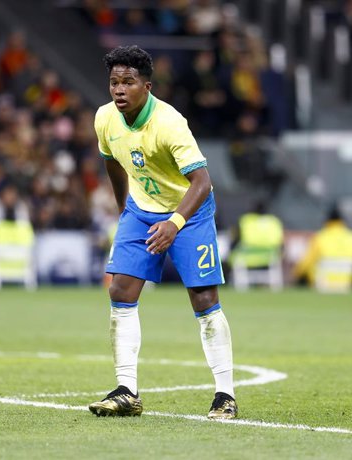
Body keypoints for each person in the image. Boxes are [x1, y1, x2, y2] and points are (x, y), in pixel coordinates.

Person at [88, 45, 237, 420]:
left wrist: (175, 223)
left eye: (128, 82)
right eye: (114, 82)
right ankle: (126, 391)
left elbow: (202, 182)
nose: (119, 90)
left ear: (147, 86)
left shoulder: (170, 123)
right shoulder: (105, 118)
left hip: (190, 210)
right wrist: (125, 210)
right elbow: (112, 163)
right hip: (141, 210)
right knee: (120, 289)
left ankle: (225, 395)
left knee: (203, 298)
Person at [292, 205, 352, 290]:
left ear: (327, 221)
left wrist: (295, 276)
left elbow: (305, 264)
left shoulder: (321, 237)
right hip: (347, 285)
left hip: (323, 285)